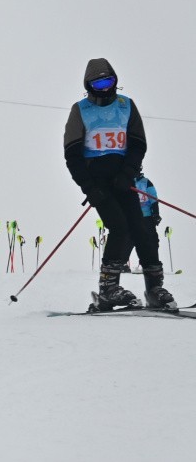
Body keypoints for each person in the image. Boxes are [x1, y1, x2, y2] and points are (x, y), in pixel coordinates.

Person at [64, 58, 175, 311]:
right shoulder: (80, 110)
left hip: (124, 181)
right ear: (88, 85)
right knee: (119, 228)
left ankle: (154, 287)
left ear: (115, 80)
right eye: (98, 83)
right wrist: (89, 187)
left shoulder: (127, 106)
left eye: (108, 81)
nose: (103, 88)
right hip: (99, 184)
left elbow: (138, 144)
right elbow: (72, 153)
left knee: (142, 229)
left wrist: (128, 173)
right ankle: (108, 289)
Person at [121, 172, 161, 272]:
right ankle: (122, 263)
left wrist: (155, 213)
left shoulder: (146, 182)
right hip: (132, 216)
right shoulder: (126, 182)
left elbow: (153, 198)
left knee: (152, 239)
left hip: (146, 216)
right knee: (129, 239)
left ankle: (152, 263)